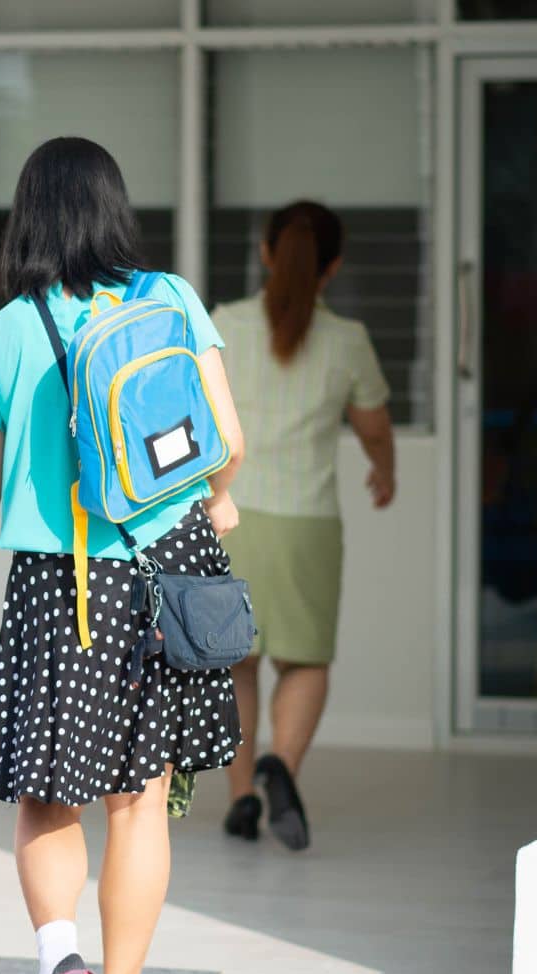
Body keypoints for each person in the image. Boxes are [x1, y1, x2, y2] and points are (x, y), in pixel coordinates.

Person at [0, 137, 245, 974]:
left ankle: (56, 956)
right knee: (140, 803)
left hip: (55, 580)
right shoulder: (171, 300)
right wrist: (216, 500)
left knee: (45, 795)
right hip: (165, 568)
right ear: (114, 208)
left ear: (25, 215)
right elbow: (227, 438)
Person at [211, 200, 396, 851]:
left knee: (238, 662)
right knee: (305, 658)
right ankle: (279, 766)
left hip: (228, 517)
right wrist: (385, 470)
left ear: (265, 252)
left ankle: (240, 800)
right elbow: (373, 425)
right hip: (308, 522)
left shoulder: (223, 325)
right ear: (334, 266)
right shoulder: (348, 340)